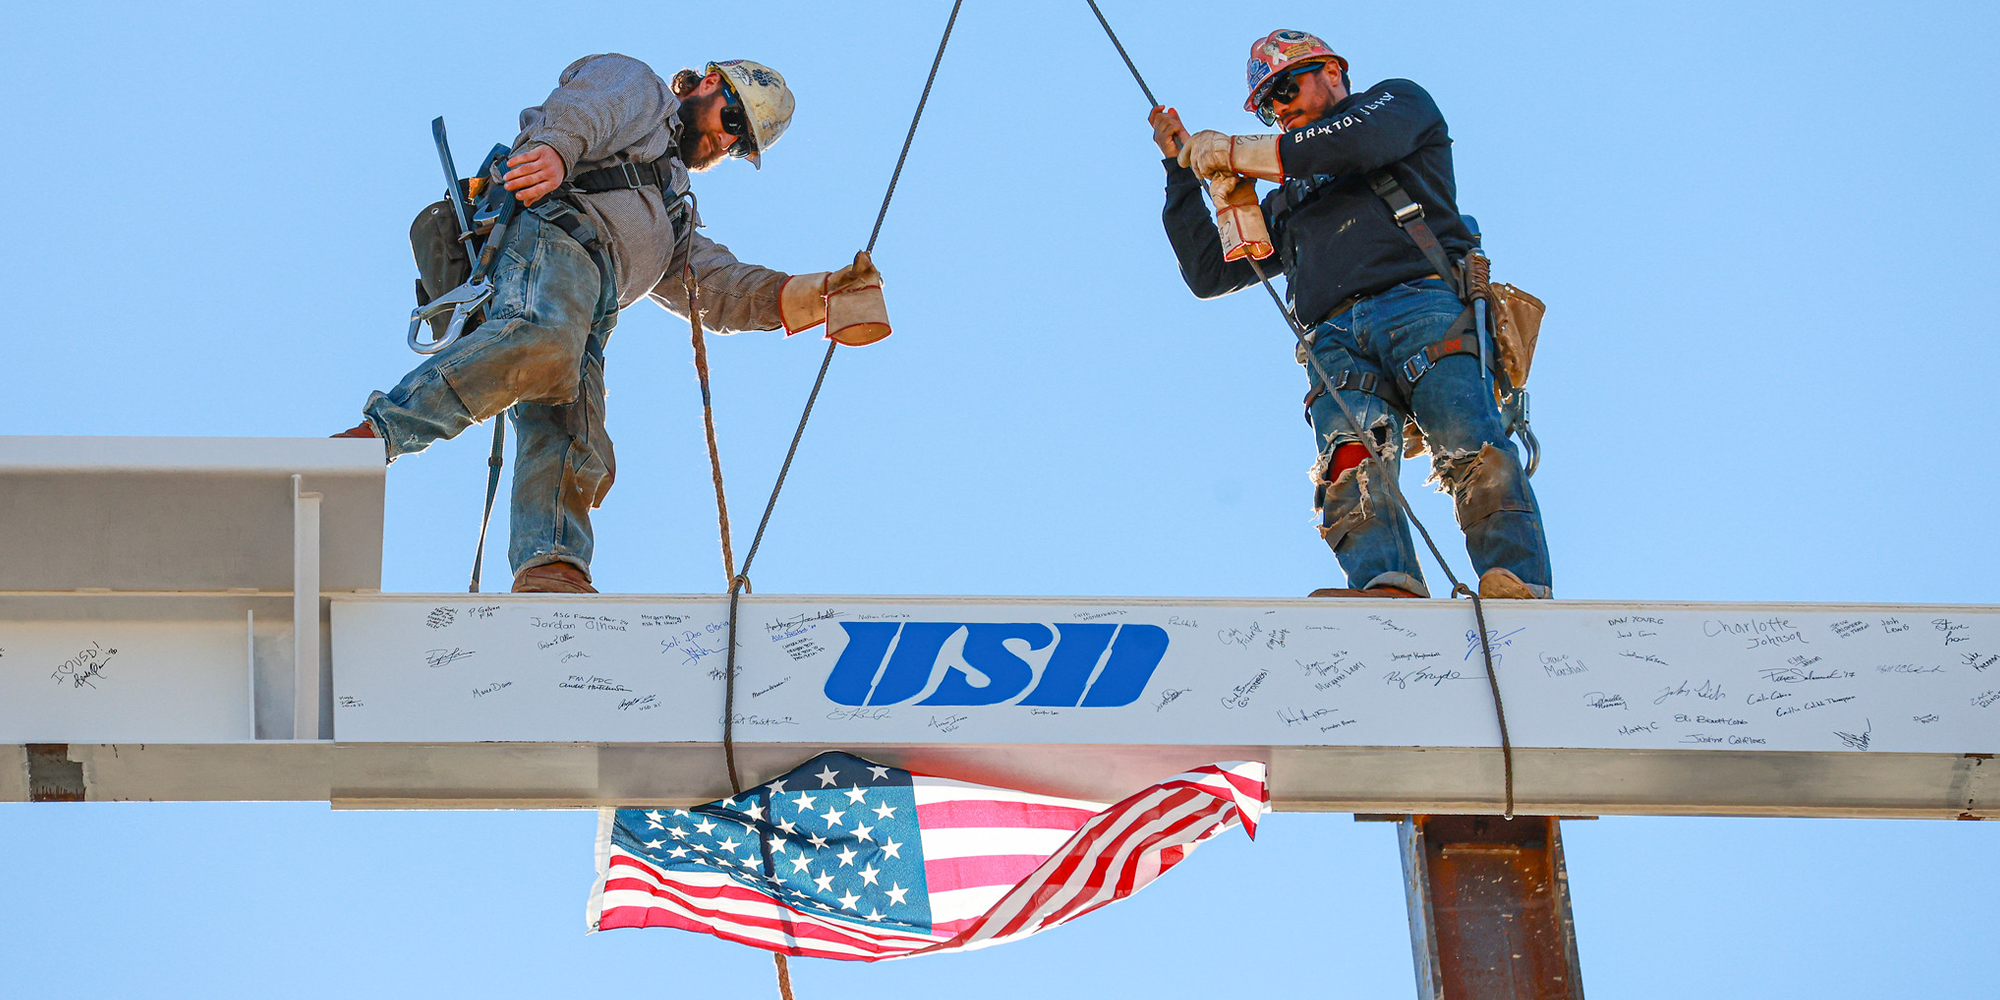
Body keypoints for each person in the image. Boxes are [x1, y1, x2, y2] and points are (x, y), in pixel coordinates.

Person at [334, 54, 883, 593]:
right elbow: (590, 104)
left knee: (576, 434)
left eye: (740, 146)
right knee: (544, 340)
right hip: (552, 245)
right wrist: (553, 149)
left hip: (592, 304)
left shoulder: (672, 214)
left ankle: (551, 567)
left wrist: (816, 296)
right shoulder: (643, 94)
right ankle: (373, 438)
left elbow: (718, 289)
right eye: (732, 122)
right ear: (709, 85)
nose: (725, 143)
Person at [1149, 29, 1552, 600]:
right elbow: (1211, 272)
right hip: (1333, 340)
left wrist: (1237, 151)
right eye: (1268, 104)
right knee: (1350, 471)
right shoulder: (1291, 193)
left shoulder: (1396, 107)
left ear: (1332, 72)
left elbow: (1349, 145)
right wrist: (1181, 175)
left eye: (1286, 88)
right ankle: (1388, 586)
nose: (1279, 109)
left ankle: (1520, 584)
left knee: (1472, 448)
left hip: (1423, 308)